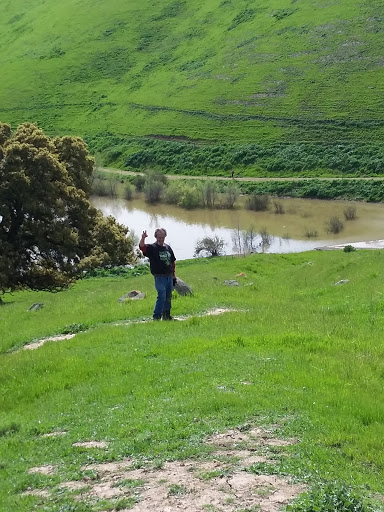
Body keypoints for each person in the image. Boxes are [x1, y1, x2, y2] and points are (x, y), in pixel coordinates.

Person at [139, 228, 176, 320]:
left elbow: (172, 262)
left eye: (163, 237)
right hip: (159, 277)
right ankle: (156, 316)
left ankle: (166, 315)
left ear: (165, 236)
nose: (161, 239)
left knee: (168, 296)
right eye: (159, 237)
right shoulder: (152, 248)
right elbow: (142, 247)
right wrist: (143, 238)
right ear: (156, 237)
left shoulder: (167, 248)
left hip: (169, 277)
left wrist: (173, 275)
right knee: (162, 296)